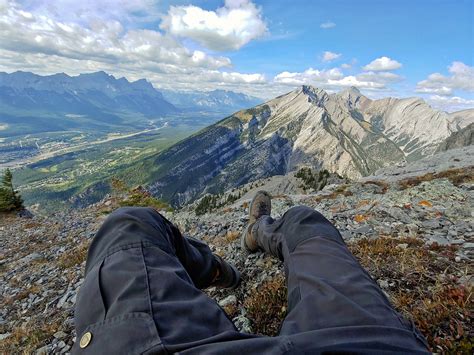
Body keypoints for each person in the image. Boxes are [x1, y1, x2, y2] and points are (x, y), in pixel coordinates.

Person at [73, 191, 430, 354]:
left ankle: (218, 272)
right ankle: (259, 229)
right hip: (371, 345)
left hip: (153, 345)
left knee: (130, 222)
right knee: (306, 220)